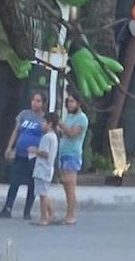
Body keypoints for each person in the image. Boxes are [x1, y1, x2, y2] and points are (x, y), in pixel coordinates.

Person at [0, 92, 45, 220]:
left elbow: (46, 138)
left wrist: (39, 150)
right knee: (14, 181)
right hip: (20, 154)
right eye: (34, 100)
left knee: (31, 184)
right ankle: (7, 208)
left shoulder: (44, 120)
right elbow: (16, 131)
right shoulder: (24, 114)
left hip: (33, 157)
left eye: (38, 101)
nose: (35, 103)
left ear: (43, 103)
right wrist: (9, 147)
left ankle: (27, 211)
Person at [58, 93, 88, 225]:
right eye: (68, 102)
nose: (69, 104)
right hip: (63, 152)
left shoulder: (82, 118)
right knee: (65, 184)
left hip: (73, 154)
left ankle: (71, 215)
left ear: (78, 104)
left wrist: (59, 123)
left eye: (72, 102)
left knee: (70, 185)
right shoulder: (69, 116)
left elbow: (71, 133)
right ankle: (67, 214)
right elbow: (64, 132)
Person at [31, 112, 60, 226]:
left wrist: (35, 150)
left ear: (50, 123)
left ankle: (44, 217)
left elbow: (45, 153)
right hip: (47, 168)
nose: (41, 124)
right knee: (43, 192)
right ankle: (51, 213)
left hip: (43, 168)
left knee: (42, 194)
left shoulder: (47, 137)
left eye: (43, 122)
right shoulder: (53, 137)